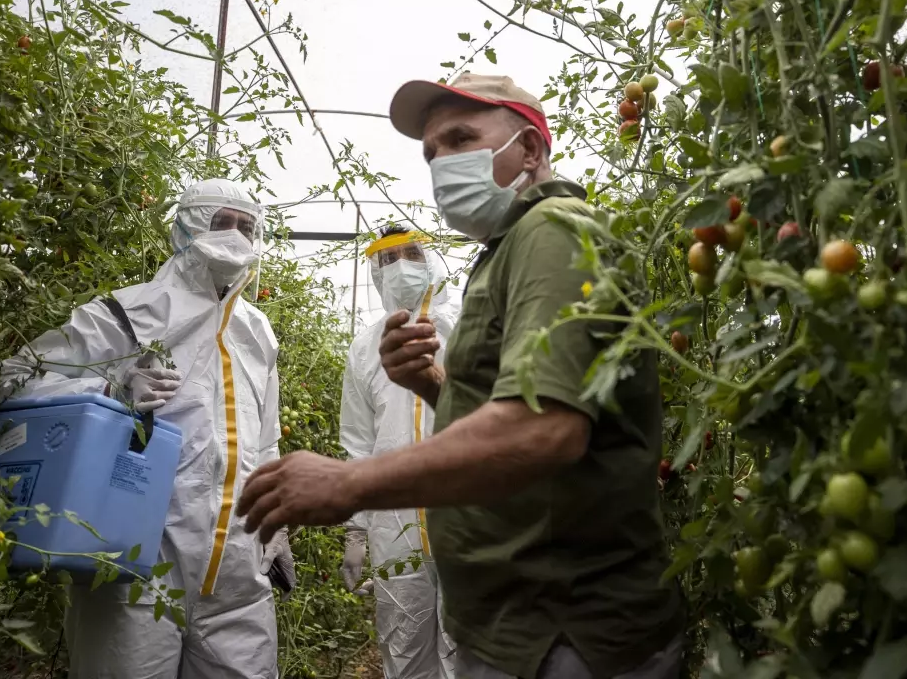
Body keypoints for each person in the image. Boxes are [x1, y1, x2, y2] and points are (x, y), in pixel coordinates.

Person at [238, 74, 684, 679]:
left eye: (460, 138)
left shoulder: (552, 234)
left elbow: (544, 431)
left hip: (561, 627)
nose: (442, 162)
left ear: (529, 149)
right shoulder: (509, 249)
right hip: (522, 622)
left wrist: (351, 483)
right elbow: (533, 412)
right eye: (431, 152)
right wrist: (431, 384)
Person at [1, 178, 290, 679]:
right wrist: (111, 389)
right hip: (134, 561)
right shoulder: (127, 312)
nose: (236, 237)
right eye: (222, 222)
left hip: (239, 572)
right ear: (185, 227)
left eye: (247, 227)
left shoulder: (257, 332)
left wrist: (277, 525)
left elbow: (265, 439)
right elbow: (15, 382)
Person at [339, 224, 461, 678]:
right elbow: (357, 442)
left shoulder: (467, 324)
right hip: (394, 525)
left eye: (410, 253)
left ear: (431, 258)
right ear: (374, 272)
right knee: (402, 642)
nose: (401, 267)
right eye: (387, 259)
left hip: (467, 511)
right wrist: (356, 532)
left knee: (467, 645)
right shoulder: (365, 348)